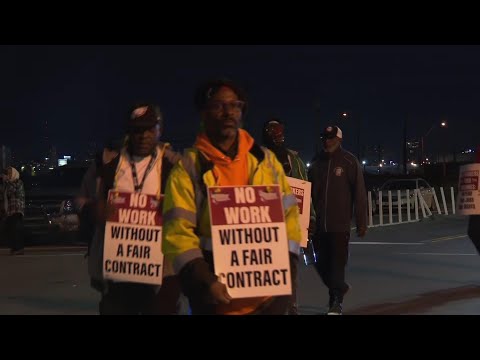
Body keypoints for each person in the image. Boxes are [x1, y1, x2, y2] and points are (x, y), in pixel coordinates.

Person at [162, 78, 302, 315]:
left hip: (269, 302)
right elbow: (178, 237)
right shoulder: (188, 169)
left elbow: (290, 220)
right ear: (204, 114)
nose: (228, 112)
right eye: (218, 105)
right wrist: (206, 283)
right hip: (215, 303)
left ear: (242, 112)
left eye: (234, 105)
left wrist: (287, 277)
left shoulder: (265, 161)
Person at [87, 103, 184, 315]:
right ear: (128, 132)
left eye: (150, 129)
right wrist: (97, 212)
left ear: (159, 130)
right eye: (138, 130)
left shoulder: (174, 166)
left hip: (162, 272)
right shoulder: (108, 165)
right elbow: (84, 199)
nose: (144, 136)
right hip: (118, 270)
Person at [308, 125, 367, 315]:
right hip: (317, 226)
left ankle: (335, 302)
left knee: (336, 264)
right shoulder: (316, 162)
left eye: (331, 138)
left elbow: (359, 192)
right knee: (317, 263)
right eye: (324, 137)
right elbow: (306, 191)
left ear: (339, 139)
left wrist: (361, 221)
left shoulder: (350, 161)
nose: (327, 141)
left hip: (340, 225)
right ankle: (339, 286)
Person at [262, 118, 316, 315]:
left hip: (290, 225)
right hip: (265, 227)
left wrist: (310, 219)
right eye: (272, 132)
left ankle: (291, 308)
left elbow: (304, 189)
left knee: (289, 270)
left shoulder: (295, 161)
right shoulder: (256, 158)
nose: (277, 136)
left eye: (279, 132)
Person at [76, 138, 123, 256]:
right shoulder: (96, 169)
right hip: (98, 229)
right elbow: (83, 199)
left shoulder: (117, 169)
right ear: (106, 152)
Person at [0, 167, 25, 255]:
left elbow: (12, 191)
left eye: (10, 173)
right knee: (10, 229)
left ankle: (19, 248)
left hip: (17, 209)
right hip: (9, 210)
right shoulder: (7, 184)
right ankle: (14, 248)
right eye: (7, 173)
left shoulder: (18, 182)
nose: (8, 175)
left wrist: (7, 181)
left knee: (16, 229)